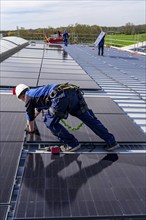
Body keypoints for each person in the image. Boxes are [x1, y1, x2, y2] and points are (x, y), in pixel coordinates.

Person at [15, 83, 119, 152]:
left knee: (49, 121)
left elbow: (30, 117)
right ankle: (111, 141)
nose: (23, 101)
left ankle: (72, 144)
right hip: (72, 92)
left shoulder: (28, 98)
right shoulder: (37, 92)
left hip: (60, 97)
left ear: (22, 96)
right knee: (89, 119)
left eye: (21, 99)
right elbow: (36, 111)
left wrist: (31, 130)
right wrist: (29, 122)